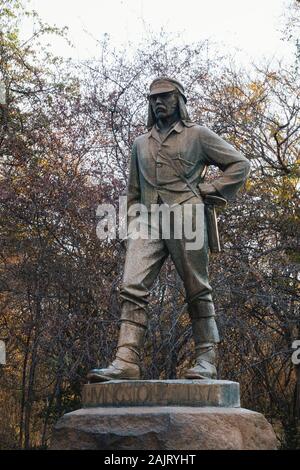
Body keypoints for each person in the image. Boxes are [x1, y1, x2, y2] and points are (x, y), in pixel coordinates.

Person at [87, 77, 250, 382]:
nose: (158, 102)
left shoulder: (198, 136)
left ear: (179, 100)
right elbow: (134, 190)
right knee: (131, 286)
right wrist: (134, 224)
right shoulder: (140, 143)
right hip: (148, 221)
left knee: (197, 287)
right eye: (153, 99)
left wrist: (208, 190)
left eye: (165, 97)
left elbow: (239, 165)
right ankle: (126, 360)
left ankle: (206, 360)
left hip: (187, 216)